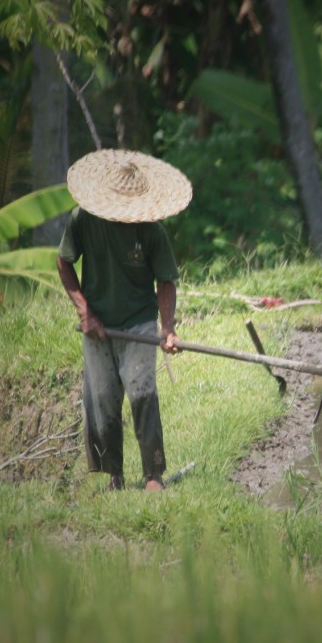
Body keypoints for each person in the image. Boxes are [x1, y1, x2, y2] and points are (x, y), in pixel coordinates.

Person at [57, 149, 193, 492]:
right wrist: (85, 312)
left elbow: (165, 280)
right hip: (97, 323)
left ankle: (153, 474)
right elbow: (63, 262)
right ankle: (114, 476)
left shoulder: (151, 231)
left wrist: (168, 329)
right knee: (102, 399)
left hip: (137, 322)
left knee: (142, 393)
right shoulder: (82, 220)